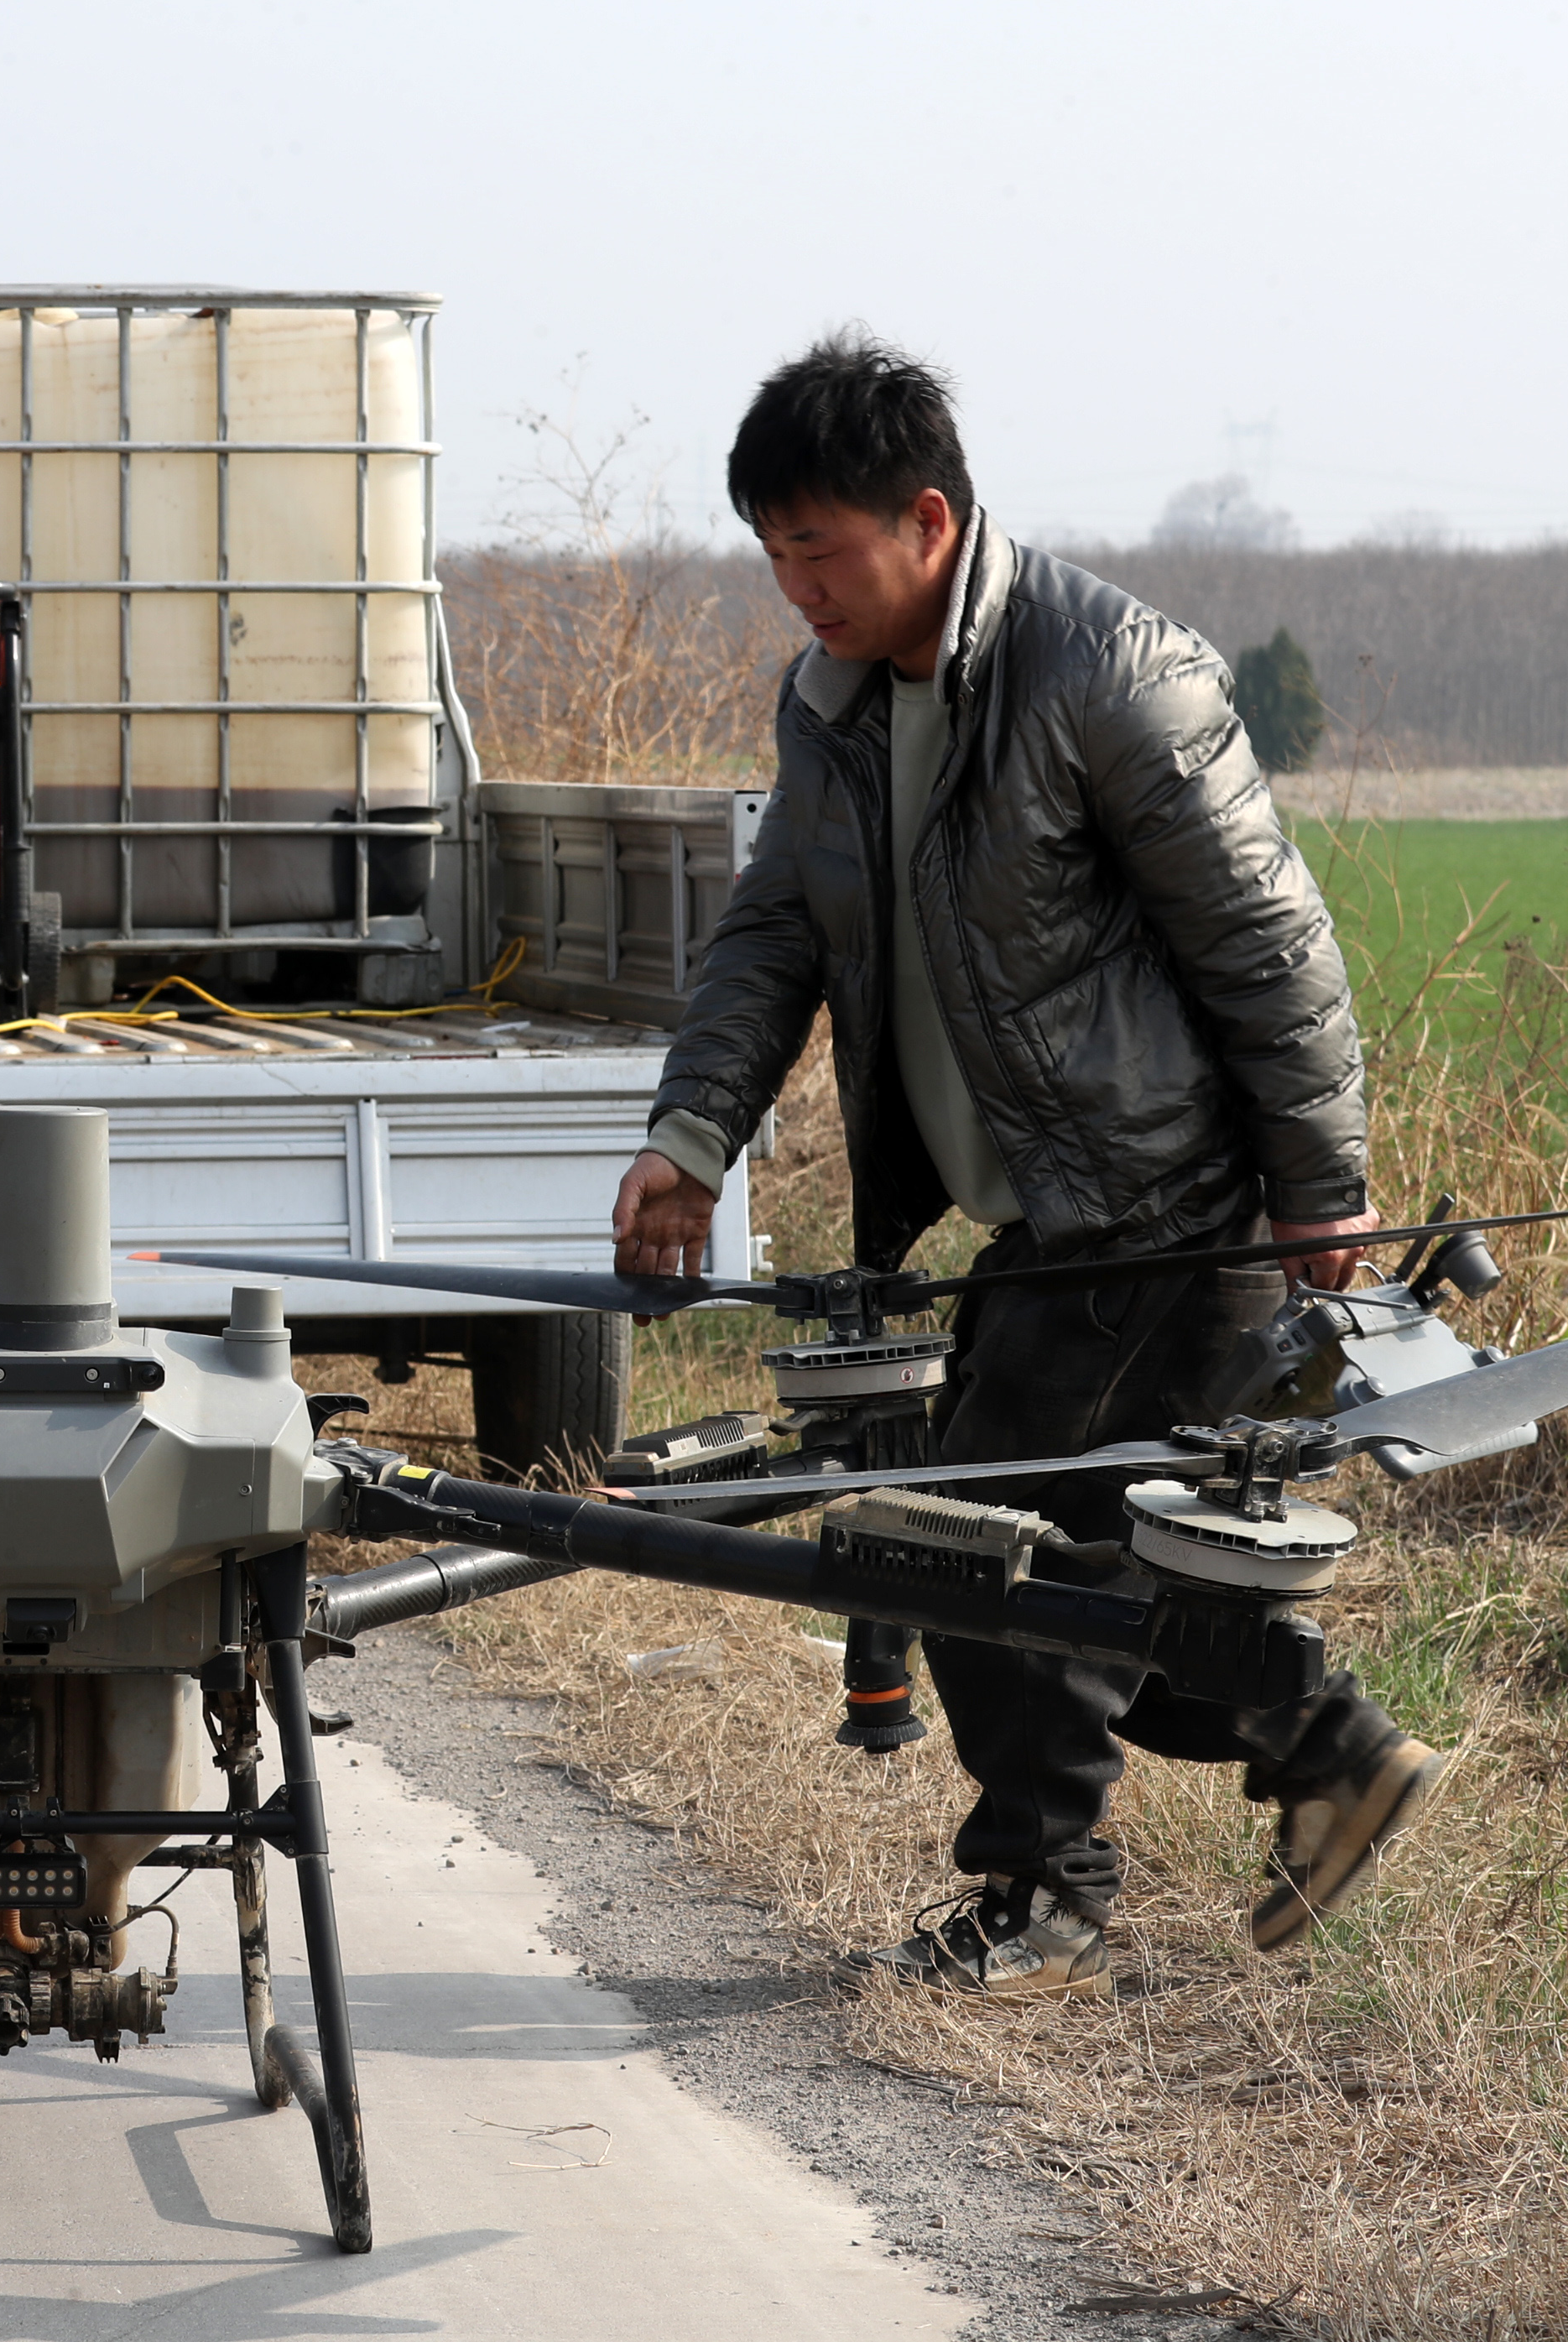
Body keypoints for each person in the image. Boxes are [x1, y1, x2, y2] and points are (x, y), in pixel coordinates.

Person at [610, 334, 1446, 1995]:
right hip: (1052, 1215)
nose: (799, 592)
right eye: (773, 558)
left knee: (957, 1527)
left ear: (928, 520)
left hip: (1167, 1200)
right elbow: (774, 933)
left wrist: (1323, 1182)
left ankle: (1044, 1888)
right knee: (1093, 1559)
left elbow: (1271, 945)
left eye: (822, 553)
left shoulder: (1109, 673)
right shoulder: (835, 707)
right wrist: (692, 1136)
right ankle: (1323, 1743)